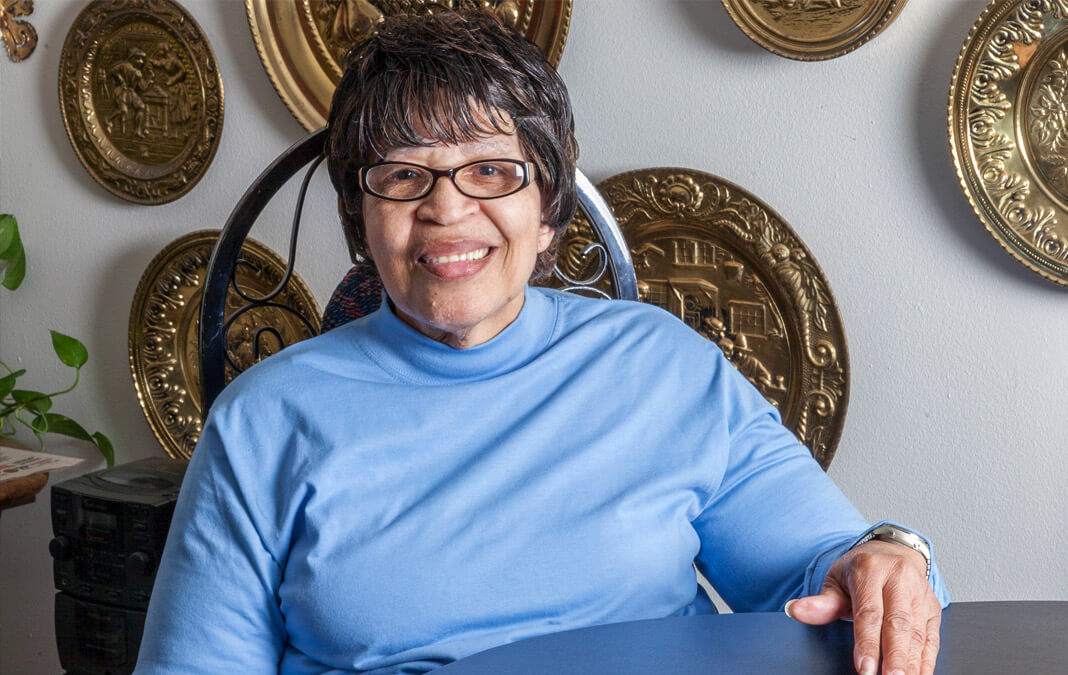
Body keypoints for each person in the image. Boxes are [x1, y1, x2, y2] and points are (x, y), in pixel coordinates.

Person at [135, 11, 948, 675]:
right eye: (403, 174)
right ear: (362, 216)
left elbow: (834, 565)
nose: (447, 210)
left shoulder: (661, 365)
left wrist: (889, 556)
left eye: (492, 171)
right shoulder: (262, 422)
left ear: (549, 209)